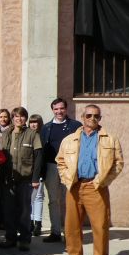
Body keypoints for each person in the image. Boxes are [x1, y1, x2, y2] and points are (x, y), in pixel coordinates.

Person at [56, 105, 124, 255]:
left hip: (96, 186)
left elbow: (118, 163)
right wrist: (66, 179)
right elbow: (61, 161)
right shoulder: (69, 139)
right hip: (74, 186)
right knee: (71, 224)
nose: (92, 119)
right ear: (83, 116)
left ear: (100, 118)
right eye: (89, 115)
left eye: (96, 116)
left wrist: (104, 181)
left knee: (100, 224)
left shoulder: (110, 139)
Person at [0, 107, 42, 251]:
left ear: (25, 119)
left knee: (24, 210)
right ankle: (10, 237)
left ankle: (24, 239)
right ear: (12, 118)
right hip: (8, 178)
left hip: (25, 178)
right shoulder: (6, 134)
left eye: (22, 117)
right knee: (9, 209)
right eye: (16, 116)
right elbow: (1, 155)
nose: (19, 119)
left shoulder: (32, 134)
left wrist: (35, 178)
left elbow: (38, 157)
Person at [40, 98, 82, 243]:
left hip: (69, 167)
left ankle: (70, 233)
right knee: (53, 200)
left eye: (61, 108)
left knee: (70, 199)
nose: (59, 111)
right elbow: (43, 152)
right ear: (52, 110)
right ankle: (55, 232)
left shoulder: (76, 126)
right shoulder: (46, 128)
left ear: (66, 109)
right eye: (56, 109)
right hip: (51, 167)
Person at [28, 114, 46, 236]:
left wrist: (38, 175)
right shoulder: (27, 135)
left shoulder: (42, 137)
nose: (33, 124)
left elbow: (40, 158)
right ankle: (29, 222)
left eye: (36, 122)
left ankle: (38, 223)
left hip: (39, 172)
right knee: (29, 199)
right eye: (31, 122)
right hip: (27, 172)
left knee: (38, 197)